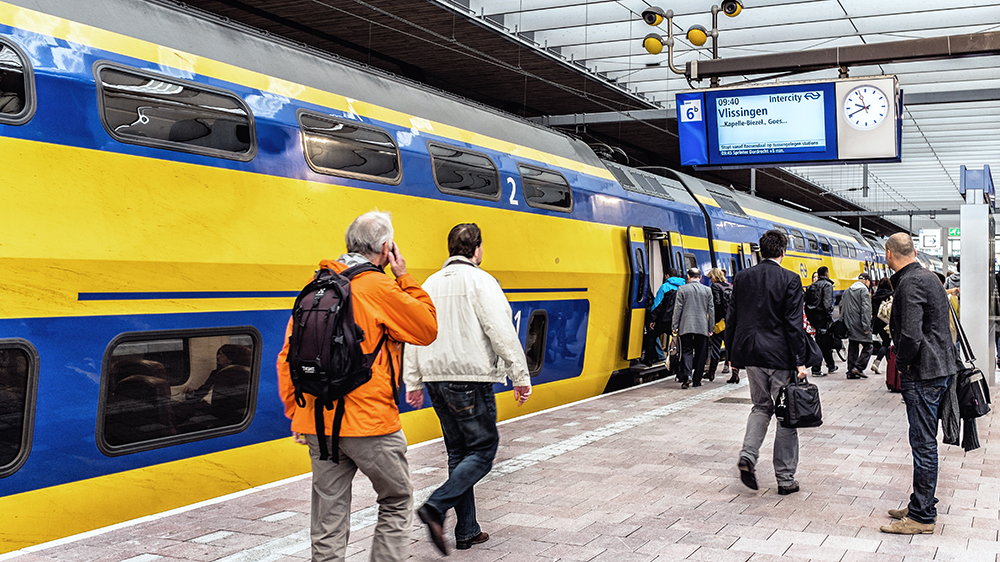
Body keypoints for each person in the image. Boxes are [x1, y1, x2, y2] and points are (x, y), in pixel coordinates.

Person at [276, 210, 438, 561]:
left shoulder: (316, 287)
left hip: (319, 423)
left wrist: (297, 416)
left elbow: (287, 357)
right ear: (386, 247)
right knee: (396, 500)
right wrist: (403, 276)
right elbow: (426, 328)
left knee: (328, 519)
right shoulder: (378, 286)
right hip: (369, 425)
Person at [403, 223, 531, 555]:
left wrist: (413, 380)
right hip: (469, 379)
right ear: (476, 250)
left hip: (435, 379)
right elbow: (500, 329)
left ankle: (468, 530)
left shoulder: (430, 283)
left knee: (459, 454)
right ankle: (436, 506)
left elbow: (416, 332)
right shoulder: (481, 281)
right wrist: (520, 376)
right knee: (484, 451)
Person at [880, 233, 957, 535]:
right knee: (924, 442)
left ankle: (922, 516)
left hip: (924, 373)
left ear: (889, 254)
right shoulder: (929, 277)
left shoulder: (909, 283)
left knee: (923, 444)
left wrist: (902, 363)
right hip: (938, 368)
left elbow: (910, 335)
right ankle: (918, 503)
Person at [728, 230, 809, 496]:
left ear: (760, 251)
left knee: (760, 407)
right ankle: (785, 479)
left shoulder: (742, 278)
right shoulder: (790, 279)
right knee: (786, 416)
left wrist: (733, 356)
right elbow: (793, 324)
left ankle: (748, 456)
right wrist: (800, 361)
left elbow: (733, 319)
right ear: (783, 252)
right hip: (780, 357)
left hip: (752, 355)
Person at [672, 268, 714, 389]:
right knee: (701, 353)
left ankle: (687, 375)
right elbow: (711, 310)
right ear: (700, 277)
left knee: (686, 351)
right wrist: (710, 327)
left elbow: (677, 309)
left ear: (688, 277)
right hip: (702, 327)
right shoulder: (707, 290)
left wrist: (674, 326)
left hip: (686, 326)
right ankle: (697, 380)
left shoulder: (682, 289)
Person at [646, 270, 685, 368]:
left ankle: (649, 360)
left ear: (667, 276)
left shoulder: (665, 287)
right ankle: (678, 360)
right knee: (678, 339)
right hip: (677, 320)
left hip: (664, 320)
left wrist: (653, 319)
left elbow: (657, 304)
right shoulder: (683, 287)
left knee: (652, 336)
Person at [804, 266, 837, 376]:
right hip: (822, 318)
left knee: (823, 341)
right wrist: (829, 318)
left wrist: (810, 318)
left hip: (814, 318)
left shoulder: (811, 286)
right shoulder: (827, 285)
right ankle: (816, 369)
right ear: (826, 274)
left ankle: (831, 365)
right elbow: (827, 304)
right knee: (821, 343)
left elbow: (807, 304)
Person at [841, 273, 873, 379]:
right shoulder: (863, 290)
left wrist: (843, 321)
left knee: (853, 346)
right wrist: (866, 326)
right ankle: (858, 368)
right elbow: (866, 309)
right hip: (860, 323)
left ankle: (850, 372)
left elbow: (842, 306)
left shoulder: (847, 290)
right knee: (868, 346)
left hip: (849, 323)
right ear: (866, 281)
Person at [706, 268, 732, 382]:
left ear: (714, 277)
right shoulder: (730, 286)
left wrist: (714, 322)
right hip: (730, 322)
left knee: (715, 346)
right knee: (730, 347)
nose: (710, 280)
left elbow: (716, 304)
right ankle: (735, 374)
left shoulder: (715, 287)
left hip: (720, 322)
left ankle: (711, 373)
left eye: (710, 277)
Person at [869, 277, 894, 375]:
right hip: (886, 322)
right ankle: (877, 362)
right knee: (886, 343)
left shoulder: (875, 296)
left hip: (877, 322)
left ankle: (888, 364)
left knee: (885, 342)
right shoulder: (890, 295)